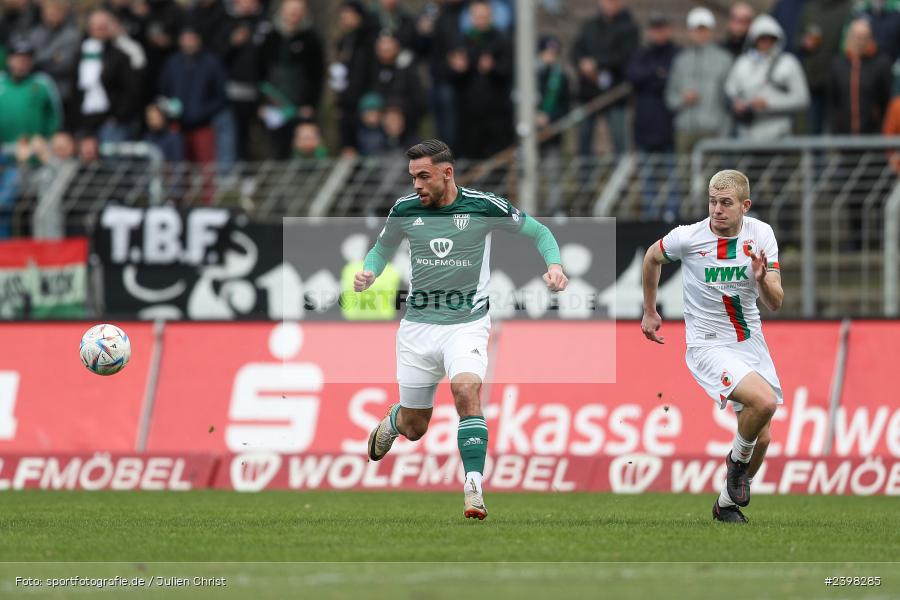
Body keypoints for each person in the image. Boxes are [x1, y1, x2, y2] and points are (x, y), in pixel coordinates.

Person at [358, 139, 568, 520]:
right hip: (418, 329)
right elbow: (381, 249)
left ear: (447, 173)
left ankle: (473, 486)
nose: (416, 185)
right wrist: (369, 271)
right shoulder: (404, 210)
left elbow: (539, 232)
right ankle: (393, 422)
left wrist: (554, 265)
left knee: (466, 390)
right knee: (416, 426)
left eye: (424, 176)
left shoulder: (483, 206)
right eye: (412, 177)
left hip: (467, 325)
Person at [641, 169, 784, 524]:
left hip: (751, 342)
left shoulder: (761, 235)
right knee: (763, 401)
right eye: (712, 202)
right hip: (707, 345)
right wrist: (649, 311)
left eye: (725, 203)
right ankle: (736, 466)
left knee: (762, 436)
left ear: (744, 206)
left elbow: (776, 302)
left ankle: (725, 505)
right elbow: (651, 258)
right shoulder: (688, 237)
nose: (717, 210)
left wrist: (762, 277)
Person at [725, 15, 810, 140]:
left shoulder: (788, 63)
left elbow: (802, 99)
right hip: (748, 134)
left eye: (769, 38)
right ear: (754, 39)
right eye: (761, 38)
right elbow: (730, 91)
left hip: (779, 133)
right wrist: (739, 105)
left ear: (777, 38)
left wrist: (769, 103)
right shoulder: (742, 63)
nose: (765, 42)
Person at [571, 0, 640, 155]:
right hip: (588, 93)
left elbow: (626, 56)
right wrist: (583, 65)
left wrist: (597, 63)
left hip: (615, 94)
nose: (610, 4)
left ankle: (622, 177)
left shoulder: (629, 28)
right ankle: (585, 178)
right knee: (584, 141)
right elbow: (576, 50)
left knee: (619, 142)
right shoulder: (589, 25)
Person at [665, 7, 733, 154]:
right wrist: (683, 99)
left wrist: (724, 130)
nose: (700, 34)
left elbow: (729, 98)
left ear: (711, 30)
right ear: (690, 31)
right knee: (685, 174)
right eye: (697, 29)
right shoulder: (681, 60)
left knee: (713, 176)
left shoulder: (724, 59)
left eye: (704, 29)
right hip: (685, 129)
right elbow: (670, 97)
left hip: (713, 129)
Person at [827, 17, 893, 134]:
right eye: (857, 37)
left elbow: (886, 100)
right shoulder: (838, 64)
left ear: (870, 38)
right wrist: (835, 127)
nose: (860, 42)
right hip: (843, 134)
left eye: (864, 38)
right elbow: (832, 101)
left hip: (872, 134)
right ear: (849, 38)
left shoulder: (881, 64)